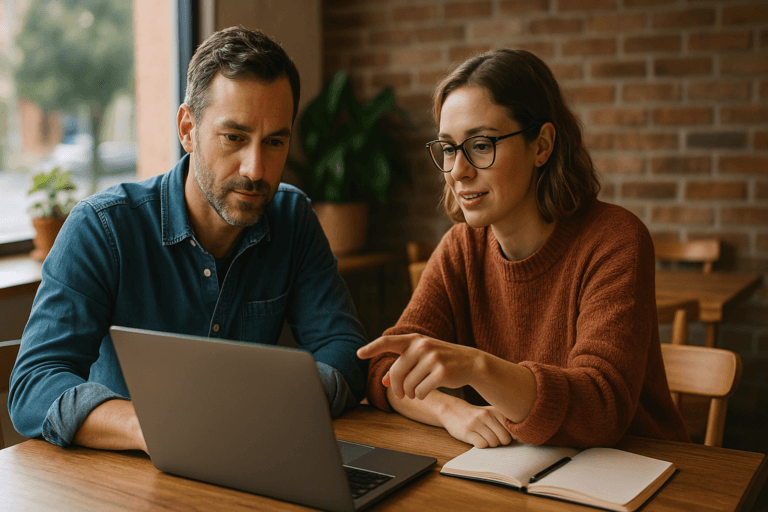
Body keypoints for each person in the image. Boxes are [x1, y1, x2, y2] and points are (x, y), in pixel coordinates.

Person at [9, 27, 367, 453]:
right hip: (126, 478)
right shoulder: (101, 229)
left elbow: (344, 350)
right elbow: (35, 384)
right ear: (187, 128)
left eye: (275, 142)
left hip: (251, 461)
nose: (256, 168)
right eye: (234, 137)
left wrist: (271, 409)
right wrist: (156, 427)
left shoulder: (292, 217)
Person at [358, 49, 689, 449]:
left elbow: (601, 409)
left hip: (637, 471)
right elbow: (386, 367)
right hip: (524, 471)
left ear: (542, 145)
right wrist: (450, 411)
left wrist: (478, 368)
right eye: (448, 148)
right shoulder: (461, 249)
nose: (458, 171)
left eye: (480, 145)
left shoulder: (616, 239)